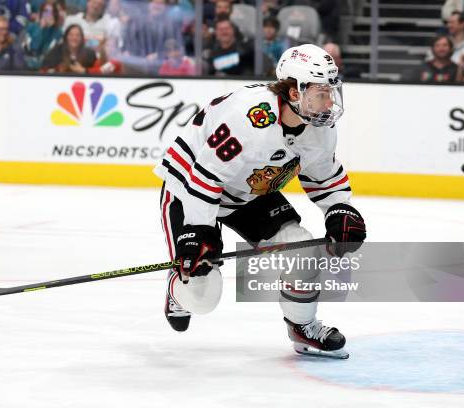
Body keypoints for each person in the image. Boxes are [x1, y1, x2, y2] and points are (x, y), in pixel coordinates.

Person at [153, 44, 366, 359]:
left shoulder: (319, 128)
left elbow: (325, 177)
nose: (330, 100)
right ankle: (178, 288)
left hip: (248, 193)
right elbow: (206, 177)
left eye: (331, 90)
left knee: (304, 251)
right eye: (321, 92)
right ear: (294, 93)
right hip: (191, 187)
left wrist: (340, 209)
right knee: (202, 296)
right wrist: (197, 233)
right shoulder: (250, 118)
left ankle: (302, 328)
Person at [23, 1, 63, 69]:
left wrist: (50, 29)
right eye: (46, 11)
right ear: (41, 13)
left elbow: (48, 51)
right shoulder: (32, 27)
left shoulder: (58, 31)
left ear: (54, 14)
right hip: (29, 60)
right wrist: (40, 29)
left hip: (47, 63)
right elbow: (32, 49)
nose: (49, 14)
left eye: (52, 12)